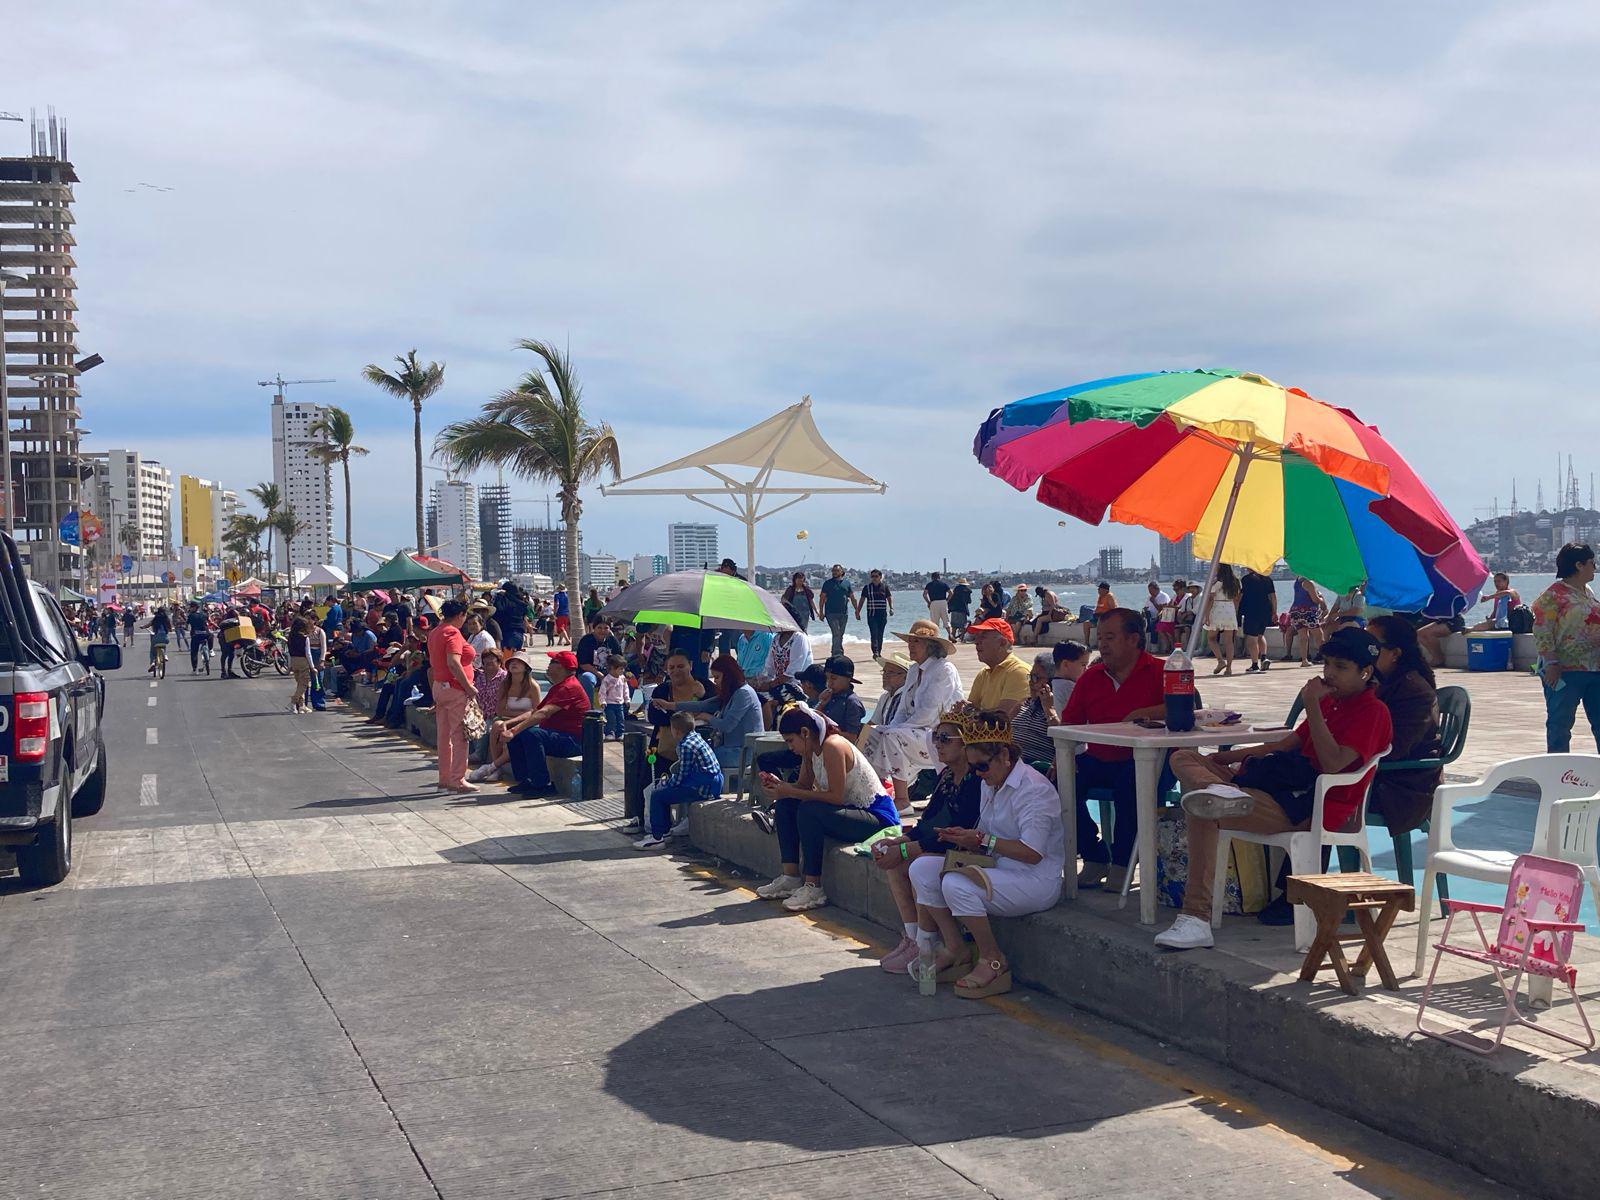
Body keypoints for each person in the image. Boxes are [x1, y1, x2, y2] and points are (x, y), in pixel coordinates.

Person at [1154, 627, 1392, 950]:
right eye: (1328, 665)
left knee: (1202, 806)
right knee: (1184, 757)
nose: (1329, 674)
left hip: (1306, 806)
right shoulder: (1331, 703)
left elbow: (1333, 763)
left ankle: (1196, 918)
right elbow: (1285, 744)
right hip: (1271, 790)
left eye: (1341, 668)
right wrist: (1226, 759)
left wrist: (1312, 707)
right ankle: (1222, 794)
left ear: (1365, 673)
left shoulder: (1372, 713)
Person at [907, 710, 1066, 997]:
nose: (978, 774)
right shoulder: (988, 781)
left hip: (1034, 880)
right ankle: (956, 949)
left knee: (956, 884)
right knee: (921, 869)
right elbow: (987, 836)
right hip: (997, 867)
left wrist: (982, 840)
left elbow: (1032, 854)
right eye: (974, 767)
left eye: (982, 766)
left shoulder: (1033, 791)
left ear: (1004, 756)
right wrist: (966, 839)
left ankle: (993, 960)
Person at [754, 702, 900, 913]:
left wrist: (790, 791)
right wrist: (781, 787)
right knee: (786, 804)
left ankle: (814, 886)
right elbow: (802, 787)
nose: (789, 747)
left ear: (805, 733)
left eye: (790, 741)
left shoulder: (833, 746)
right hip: (847, 811)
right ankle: (790, 876)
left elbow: (835, 797)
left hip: (875, 817)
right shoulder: (810, 750)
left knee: (809, 810)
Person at [871, 703, 983, 973]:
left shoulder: (975, 781)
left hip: (966, 847)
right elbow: (928, 823)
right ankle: (913, 938)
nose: (937, 744)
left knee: (913, 863)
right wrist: (897, 843)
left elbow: (957, 830)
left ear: (966, 743)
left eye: (945, 739)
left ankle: (926, 942)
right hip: (940, 843)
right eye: (935, 737)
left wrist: (909, 850)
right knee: (893, 860)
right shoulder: (946, 777)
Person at [1060, 609, 1166, 891]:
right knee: (1057, 782)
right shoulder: (1091, 677)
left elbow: (1188, 710)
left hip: (1151, 761)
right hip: (1101, 757)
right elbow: (1069, 724)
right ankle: (1094, 857)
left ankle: (1123, 863)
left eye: (1110, 637)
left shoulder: (1162, 671)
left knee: (1131, 782)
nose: (1102, 645)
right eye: (1099, 638)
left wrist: (1147, 712)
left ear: (1133, 639)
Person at [861, 619, 963, 811]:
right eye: (910, 641)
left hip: (939, 734)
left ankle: (902, 799)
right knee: (871, 733)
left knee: (892, 736)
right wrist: (888, 727)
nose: (910, 645)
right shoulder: (914, 670)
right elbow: (902, 711)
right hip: (917, 731)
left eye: (916, 642)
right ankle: (873, 792)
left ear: (930, 646)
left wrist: (894, 729)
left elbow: (929, 713)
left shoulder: (944, 670)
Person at [1366, 614, 1443, 842]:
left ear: (1395, 654)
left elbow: (1395, 748)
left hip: (1402, 788)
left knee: (1316, 797)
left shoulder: (1413, 690)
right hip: (1382, 775)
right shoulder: (1377, 683)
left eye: (1372, 646)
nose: (1365, 651)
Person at [1533, 542, 1600, 753]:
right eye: (1592, 563)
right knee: (1560, 724)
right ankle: (1557, 770)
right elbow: (1542, 630)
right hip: (1565, 671)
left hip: (1594, 668)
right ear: (1579, 565)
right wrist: (1551, 662)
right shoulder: (1553, 596)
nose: (1595, 568)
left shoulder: (1587, 591)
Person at [653, 654, 762, 772]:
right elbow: (702, 705)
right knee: (686, 752)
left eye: (717, 677)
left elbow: (727, 725)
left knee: (692, 758)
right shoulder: (731, 693)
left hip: (742, 753)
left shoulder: (743, 694)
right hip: (728, 748)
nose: (715, 681)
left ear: (729, 676)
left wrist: (707, 717)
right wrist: (669, 705)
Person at [634, 712, 724, 850]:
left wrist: (665, 783)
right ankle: (665, 832)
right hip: (712, 784)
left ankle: (657, 837)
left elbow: (682, 776)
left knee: (657, 795)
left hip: (701, 788)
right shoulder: (697, 738)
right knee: (663, 793)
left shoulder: (685, 746)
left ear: (676, 731)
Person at [508, 650, 590, 795]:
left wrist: (515, 730)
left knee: (532, 735)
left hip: (572, 741)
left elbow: (544, 713)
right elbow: (536, 711)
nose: (548, 665)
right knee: (519, 735)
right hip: (559, 736)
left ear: (561, 667)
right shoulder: (559, 686)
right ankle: (526, 779)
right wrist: (511, 725)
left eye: (553, 662)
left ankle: (542, 785)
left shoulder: (568, 687)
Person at [426, 599, 479, 794]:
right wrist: (468, 687)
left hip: (440, 687)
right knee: (459, 737)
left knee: (444, 736)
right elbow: (453, 662)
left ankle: (445, 778)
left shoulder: (435, 632)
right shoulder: (452, 632)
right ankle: (458, 779)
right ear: (460, 615)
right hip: (456, 689)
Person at [468, 650, 542, 782]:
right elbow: (500, 710)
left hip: (527, 721)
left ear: (526, 668)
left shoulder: (533, 686)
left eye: (519, 662)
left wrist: (513, 720)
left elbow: (536, 712)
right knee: (496, 726)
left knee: (509, 731)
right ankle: (497, 769)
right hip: (507, 718)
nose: (514, 664)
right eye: (512, 662)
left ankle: (492, 767)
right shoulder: (505, 684)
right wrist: (511, 719)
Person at [964, 617, 1029, 720]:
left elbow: (1004, 715)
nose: (976, 641)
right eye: (977, 637)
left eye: (983, 637)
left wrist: (971, 712)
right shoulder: (983, 673)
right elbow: (971, 707)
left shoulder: (1019, 671)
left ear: (1002, 643)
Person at [1238, 566, 1277, 673]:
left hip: (1251, 611)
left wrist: (1236, 609)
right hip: (1265, 612)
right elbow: (1273, 597)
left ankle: (1255, 665)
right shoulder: (1267, 579)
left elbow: (1240, 596)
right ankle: (1264, 657)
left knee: (1252, 638)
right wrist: (1274, 612)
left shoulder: (1246, 579)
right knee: (1260, 635)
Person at [819, 655, 867, 739]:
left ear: (848, 679)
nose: (829, 683)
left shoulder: (851, 702)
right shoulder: (827, 696)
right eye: (827, 678)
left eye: (834, 678)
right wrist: (821, 704)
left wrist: (835, 732)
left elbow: (852, 737)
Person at [1205, 564, 1241, 675]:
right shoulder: (1236, 582)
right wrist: (1235, 610)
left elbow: (1210, 599)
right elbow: (1237, 598)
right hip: (1230, 608)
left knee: (1211, 638)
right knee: (1229, 641)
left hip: (1218, 608)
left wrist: (1206, 615)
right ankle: (1229, 668)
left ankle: (1220, 661)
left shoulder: (1217, 582)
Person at [1284, 576, 1326, 665]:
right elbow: (1315, 599)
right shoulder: (1309, 583)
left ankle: (1304, 660)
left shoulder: (1297, 582)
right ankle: (1324, 657)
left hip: (1296, 612)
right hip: (1307, 612)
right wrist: (1321, 600)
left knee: (1303, 637)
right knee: (1319, 635)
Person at [855, 568, 894, 660]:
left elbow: (889, 597)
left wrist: (891, 608)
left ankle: (879, 652)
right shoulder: (867, 588)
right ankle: (875, 651)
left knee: (880, 634)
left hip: (882, 614)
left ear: (880, 577)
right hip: (872, 614)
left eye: (876, 576)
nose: (874, 578)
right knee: (874, 633)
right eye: (872, 576)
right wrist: (858, 611)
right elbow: (862, 600)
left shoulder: (884, 587)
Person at [820, 565, 855, 658]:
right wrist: (821, 612)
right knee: (836, 632)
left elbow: (852, 597)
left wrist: (857, 610)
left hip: (843, 613)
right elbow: (822, 598)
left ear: (841, 572)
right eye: (833, 570)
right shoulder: (827, 583)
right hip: (830, 613)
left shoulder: (847, 583)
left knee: (840, 634)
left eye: (836, 570)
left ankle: (836, 651)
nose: (834, 572)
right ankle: (837, 654)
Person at [598, 656, 631, 741]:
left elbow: (625, 689)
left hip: (620, 703)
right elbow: (602, 692)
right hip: (609, 704)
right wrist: (602, 701)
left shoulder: (623, 678)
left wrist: (627, 699)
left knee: (621, 719)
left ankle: (620, 733)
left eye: (623, 669)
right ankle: (609, 733)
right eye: (620, 669)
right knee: (611, 719)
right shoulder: (607, 680)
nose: (622, 671)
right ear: (612, 668)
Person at [287, 617, 313, 713]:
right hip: (303, 661)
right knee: (304, 684)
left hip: (294, 661)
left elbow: (289, 653)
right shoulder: (305, 638)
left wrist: (289, 665)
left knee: (299, 684)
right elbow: (308, 653)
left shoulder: (290, 638)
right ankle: (293, 702)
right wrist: (312, 666)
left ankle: (302, 706)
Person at [1051, 641, 1088, 708]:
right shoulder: (1069, 688)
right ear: (1065, 664)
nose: (1086, 669)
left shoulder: (1054, 683)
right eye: (1083, 664)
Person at [144, 605, 172, 675]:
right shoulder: (166, 618)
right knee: (164, 643)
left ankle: (153, 663)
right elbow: (170, 628)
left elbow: (148, 624)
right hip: (165, 638)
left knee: (152, 650)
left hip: (156, 637)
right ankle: (164, 655)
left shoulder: (156, 618)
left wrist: (143, 627)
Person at [186, 602, 213, 673]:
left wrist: (185, 627)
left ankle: (194, 669)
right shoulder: (204, 614)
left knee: (194, 652)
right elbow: (210, 621)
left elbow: (186, 625)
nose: (190, 608)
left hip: (196, 636)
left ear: (194, 607)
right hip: (206, 635)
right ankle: (211, 650)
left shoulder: (191, 616)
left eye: (191, 607)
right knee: (211, 636)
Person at [923, 572, 951, 636]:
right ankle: (950, 634)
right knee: (946, 620)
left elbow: (924, 594)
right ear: (939, 577)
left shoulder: (929, 585)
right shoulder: (943, 584)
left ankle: (936, 635)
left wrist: (928, 602)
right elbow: (951, 593)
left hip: (934, 602)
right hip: (943, 602)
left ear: (932, 578)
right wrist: (947, 600)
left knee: (934, 621)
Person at [948, 577, 973, 642]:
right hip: (963, 609)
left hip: (954, 609)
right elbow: (969, 601)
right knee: (963, 626)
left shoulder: (956, 590)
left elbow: (951, 599)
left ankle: (953, 638)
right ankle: (961, 639)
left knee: (954, 626)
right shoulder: (968, 591)